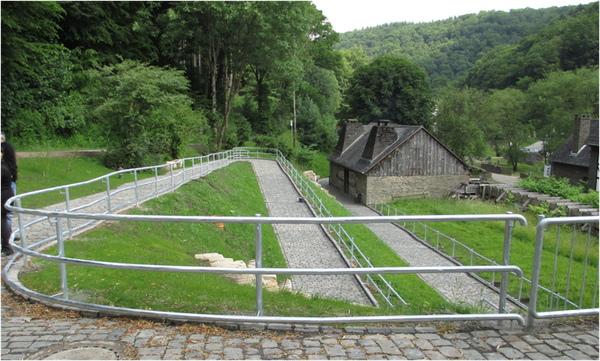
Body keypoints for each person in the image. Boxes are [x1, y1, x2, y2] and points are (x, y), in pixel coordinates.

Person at [0, 142, 15, 256]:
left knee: (2, 221)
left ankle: (7, 247)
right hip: (5, 195)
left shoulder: (2, 167)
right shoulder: (5, 165)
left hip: (2, 197)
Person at [0, 141, 18, 232]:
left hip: (4, 190)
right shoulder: (9, 165)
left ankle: (7, 236)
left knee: (4, 216)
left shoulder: (3, 166)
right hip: (8, 188)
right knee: (7, 214)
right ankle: (8, 234)